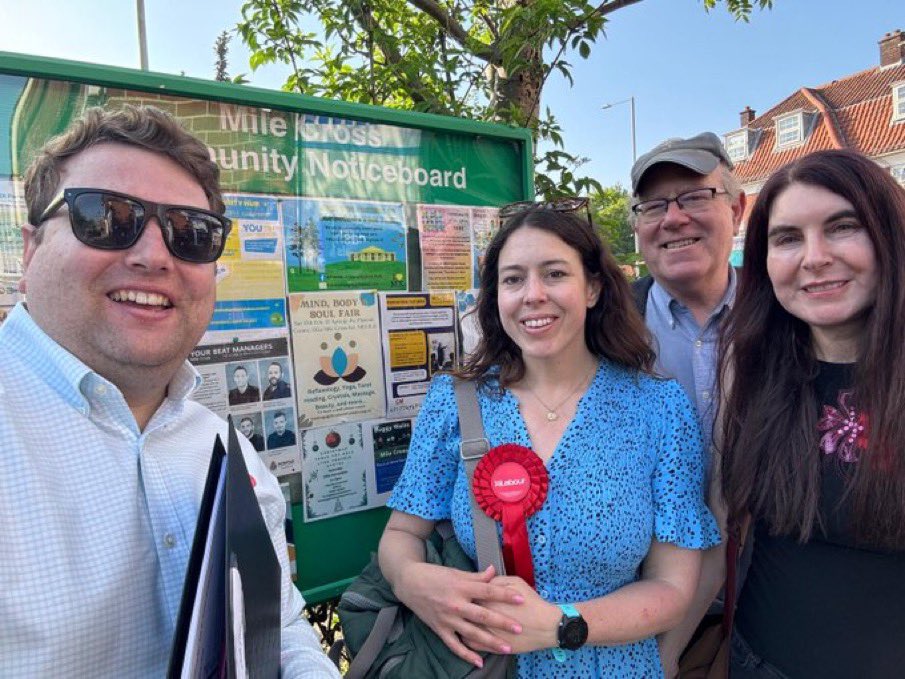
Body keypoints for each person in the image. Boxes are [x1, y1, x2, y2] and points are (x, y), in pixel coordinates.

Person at [0, 105, 339, 678]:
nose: (155, 256)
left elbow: (275, 626)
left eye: (190, 233)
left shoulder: (225, 448)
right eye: (105, 217)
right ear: (30, 250)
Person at [378, 204, 719, 677]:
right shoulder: (455, 402)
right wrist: (412, 580)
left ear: (593, 287)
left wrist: (564, 625)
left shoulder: (659, 409)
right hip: (482, 668)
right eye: (513, 279)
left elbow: (673, 588)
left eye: (554, 273)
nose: (533, 295)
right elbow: (400, 534)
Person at [714, 149, 905, 678]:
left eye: (843, 227)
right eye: (788, 238)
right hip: (757, 662)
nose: (814, 257)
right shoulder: (750, 370)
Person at [629, 132, 746, 446]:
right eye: (653, 206)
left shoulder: (786, 313)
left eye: (695, 197)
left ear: (736, 211)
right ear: (637, 228)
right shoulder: (602, 326)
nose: (673, 219)